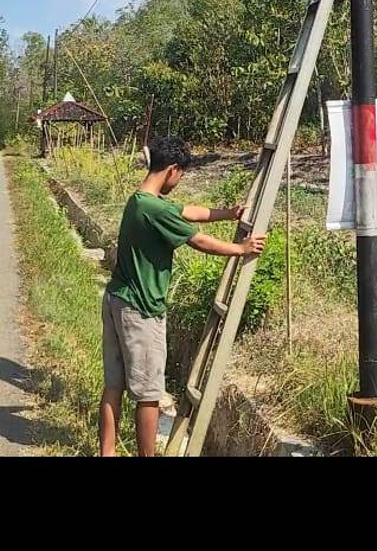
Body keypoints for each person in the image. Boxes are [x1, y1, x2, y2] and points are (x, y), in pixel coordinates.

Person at [99, 134, 266, 457]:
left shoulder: (142, 201)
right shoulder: (156, 210)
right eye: (182, 174)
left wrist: (227, 213)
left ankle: (107, 453)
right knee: (148, 394)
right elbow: (198, 240)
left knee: (114, 386)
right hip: (141, 309)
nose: (180, 180)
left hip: (116, 299)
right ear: (172, 169)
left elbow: (189, 211)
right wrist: (240, 249)